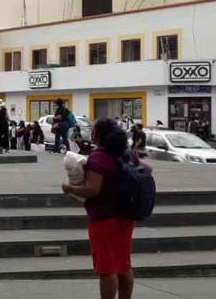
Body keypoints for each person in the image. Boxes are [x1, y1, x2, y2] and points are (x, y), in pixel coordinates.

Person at [62, 118, 153, 299]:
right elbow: (148, 169)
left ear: (99, 134)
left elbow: (92, 190)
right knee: (123, 265)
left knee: (106, 269)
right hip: (126, 216)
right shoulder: (127, 153)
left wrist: (69, 188)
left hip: (103, 218)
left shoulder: (99, 157)